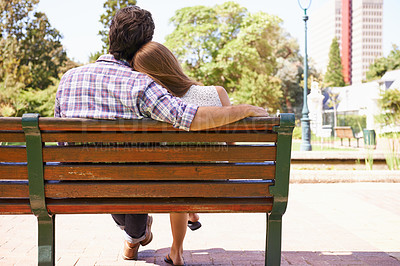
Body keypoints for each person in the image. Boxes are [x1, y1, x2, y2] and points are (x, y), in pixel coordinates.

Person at [55, 5, 268, 265]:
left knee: (116, 175)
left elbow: (60, 138)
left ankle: (135, 236)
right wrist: (241, 110)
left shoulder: (69, 78)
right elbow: (188, 117)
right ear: (145, 45)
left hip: (77, 182)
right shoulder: (141, 84)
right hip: (133, 185)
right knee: (131, 174)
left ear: (111, 36)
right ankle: (136, 234)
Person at [131, 41, 231, 265]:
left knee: (178, 179)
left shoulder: (156, 107)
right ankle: (191, 213)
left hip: (177, 184)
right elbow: (231, 143)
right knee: (186, 176)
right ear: (172, 64)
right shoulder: (217, 92)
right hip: (219, 181)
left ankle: (176, 251)